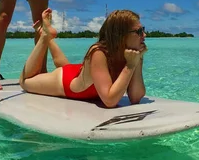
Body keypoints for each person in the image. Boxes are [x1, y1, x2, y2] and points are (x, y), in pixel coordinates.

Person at [18, 8, 148, 108]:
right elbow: (109, 101)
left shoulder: (132, 54)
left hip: (81, 72)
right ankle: (45, 36)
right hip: (65, 82)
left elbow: (135, 98)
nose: (144, 35)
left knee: (64, 65)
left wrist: (136, 62)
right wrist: (130, 66)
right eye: (138, 31)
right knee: (25, 82)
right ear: (120, 35)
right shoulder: (98, 52)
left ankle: (47, 35)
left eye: (143, 29)